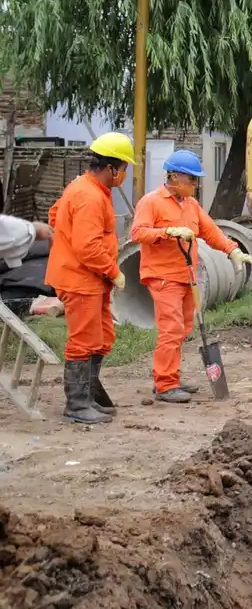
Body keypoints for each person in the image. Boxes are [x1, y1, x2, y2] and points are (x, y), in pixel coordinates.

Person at [130, 149, 252, 403]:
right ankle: (165, 384)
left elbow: (211, 232)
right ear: (175, 177)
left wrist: (233, 251)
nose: (195, 184)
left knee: (183, 327)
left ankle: (170, 376)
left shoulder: (191, 205)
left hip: (187, 275)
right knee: (171, 328)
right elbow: (138, 233)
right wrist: (168, 231)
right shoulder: (152, 201)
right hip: (162, 275)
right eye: (192, 179)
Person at [45, 132, 134, 425]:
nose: (124, 174)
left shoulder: (88, 189)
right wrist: (114, 271)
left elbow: (55, 214)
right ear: (111, 167)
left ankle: (91, 395)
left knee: (103, 336)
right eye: (123, 168)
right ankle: (76, 404)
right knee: (84, 340)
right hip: (80, 279)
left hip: (90, 279)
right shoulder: (88, 195)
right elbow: (88, 247)